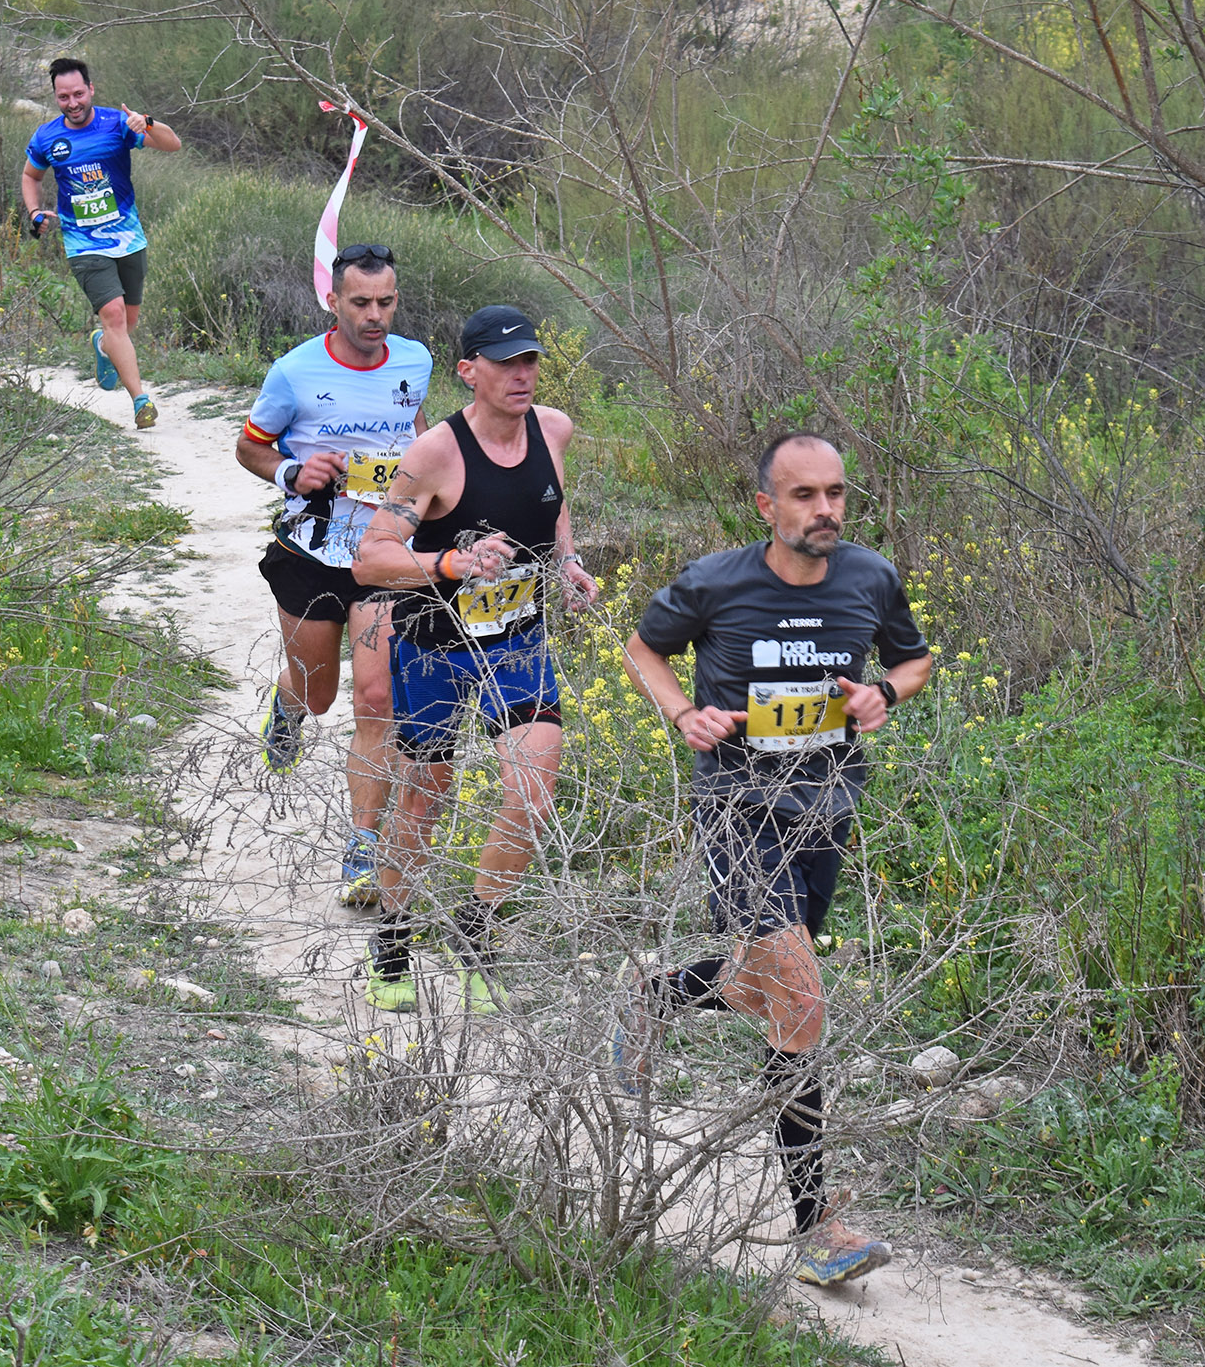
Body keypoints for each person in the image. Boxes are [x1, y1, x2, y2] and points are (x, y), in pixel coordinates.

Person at [616, 431, 933, 1287]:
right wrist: (683, 713)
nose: (826, 509)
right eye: (804, 495)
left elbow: (913, 659)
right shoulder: (716, 582)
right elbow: (643, 649)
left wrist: (884, 692)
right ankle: (817, 1226)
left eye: (836, 492)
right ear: (766, 506)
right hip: (737, 807)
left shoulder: (869, 576)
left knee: (770, 984)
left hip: (826, 807)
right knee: (800, 995)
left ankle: (656, 994)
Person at [350, 305, 597, 1013]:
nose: (522, 374)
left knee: (533, 790)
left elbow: (551, 503)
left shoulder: (554, 429)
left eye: (530, 361)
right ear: (469, 370)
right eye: (505, 362)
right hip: (436, 647)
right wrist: (452, 562)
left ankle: (476, 935)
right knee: (424, 796)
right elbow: (371, 559)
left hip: (518, 642)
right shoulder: (436, 453)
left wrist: (567, 561)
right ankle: (392, 940)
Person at [236, 243, 431, 903]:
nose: (375, 316)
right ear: (334, 301)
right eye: (361, 303)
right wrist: (292, 471)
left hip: (383, 556)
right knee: (320, 694)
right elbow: (250, 447)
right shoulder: (293, 372)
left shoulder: (415, 360)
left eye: (386, 302)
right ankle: (288, 705)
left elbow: (421, 436)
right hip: (310, 553)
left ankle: (362, 848)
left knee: (376, 699)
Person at [20, 56, 181, 431]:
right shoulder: (47, 137)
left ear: (91, 89)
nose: (72, 103)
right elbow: (31, 176)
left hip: (128, 238)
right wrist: (34, 211)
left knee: (127, 322)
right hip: (83, 244)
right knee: (114, 316)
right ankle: (141, 401)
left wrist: (148, 123)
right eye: (63, 97)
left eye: (78, 94)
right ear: (55, 97)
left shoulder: (117, 123)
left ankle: (105, 345)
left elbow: (172, 145)